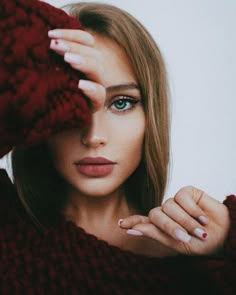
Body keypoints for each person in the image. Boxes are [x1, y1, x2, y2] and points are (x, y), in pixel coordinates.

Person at [0, 0, 235, 294]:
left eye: (121, 103)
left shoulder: (201, 267)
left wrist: (231, 241)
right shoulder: (6, 227)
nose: (94, 135)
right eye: (77, 103)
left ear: (151, 115)